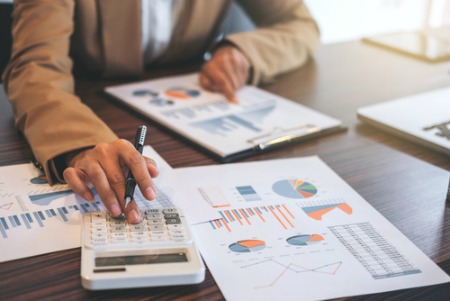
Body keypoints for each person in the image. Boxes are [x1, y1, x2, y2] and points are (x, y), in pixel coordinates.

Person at [2, 0, 320, 223]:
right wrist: (83, 144)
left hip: (188, 113)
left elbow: (299, 25)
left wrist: (245, 51)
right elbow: (35, 68)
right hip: (85, 104)